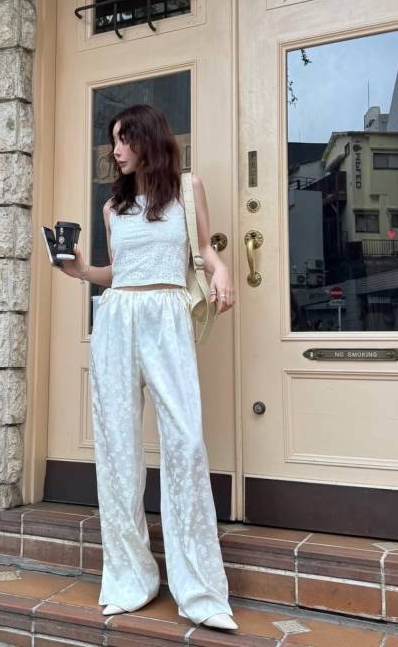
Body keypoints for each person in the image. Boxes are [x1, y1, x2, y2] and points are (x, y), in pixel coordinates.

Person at [59, 104, 238, 632]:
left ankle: (200, 591)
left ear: (148, 140)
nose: (115, 150)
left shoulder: (187, 189)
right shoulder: (112, 207)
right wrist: (81, 271)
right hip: (117, 318)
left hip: (166, 316)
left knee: (185, 441)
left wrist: (222, 269)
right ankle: (131, 579)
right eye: (113, 140)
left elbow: (202, 249)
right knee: (117, 446)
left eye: (124, 139)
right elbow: (118, 272)